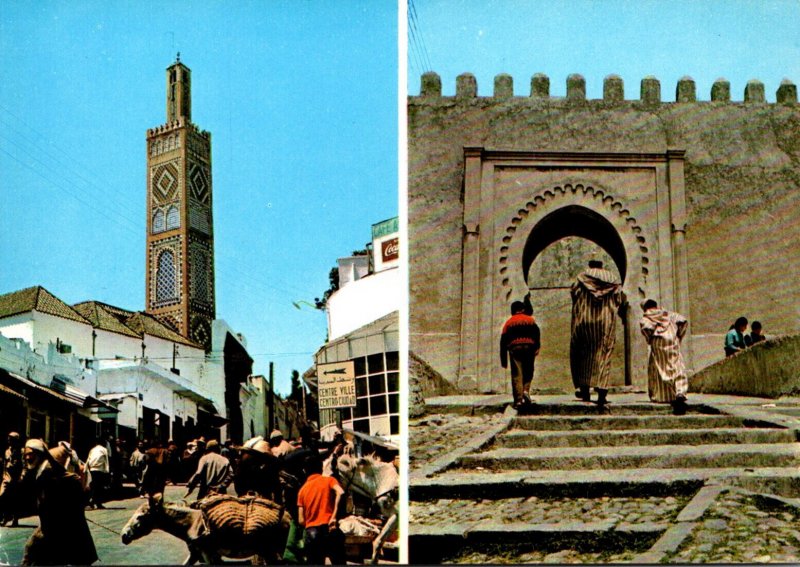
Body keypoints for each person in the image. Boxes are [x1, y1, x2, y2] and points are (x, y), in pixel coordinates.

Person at [21, 439, 97, 566]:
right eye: (26, 454)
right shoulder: (38, 468)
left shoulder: (48, 469)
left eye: (31, 454)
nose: (28, 457)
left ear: (39, 454)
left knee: (33, 553)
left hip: (59, 525)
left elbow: (75, 481)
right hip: (51, 525)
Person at [570, 260, 626, 408]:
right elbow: (619, 299)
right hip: (606, 321)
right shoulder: (612, 279)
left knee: (584, 354)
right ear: (602, 265)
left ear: (590, 265)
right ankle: (602, 394)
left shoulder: (581, 277)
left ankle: (585, 392)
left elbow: (574, 294)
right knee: (605, 353)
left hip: (584, 320)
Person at [639, 299, 690, 415]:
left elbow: (647, 330)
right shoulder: (668, 313)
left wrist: (650, 340)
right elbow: (683, 321)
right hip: (672, 341)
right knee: (677, 366)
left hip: (658, 344)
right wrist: (678, 336)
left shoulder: (646, 317)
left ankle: (662, 395)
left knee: (660, 368)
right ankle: (680, 392)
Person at [297, 458, 346, 566]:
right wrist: (333, 516)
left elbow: (301, 520)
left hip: (312, 534)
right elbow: (341, 492)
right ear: (321, 468)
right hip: (330, 530)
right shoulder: (329, 480)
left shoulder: (302, 491)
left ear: (305, 471)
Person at [499, 300, 541, 409]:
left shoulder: (508, 323)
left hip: (515, 348)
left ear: (513, 310)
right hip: (529, 347)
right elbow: (537, 333)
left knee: (517, 373)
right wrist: (537, 347)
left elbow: (503, 341)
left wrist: (503, 359)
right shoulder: (531, 320)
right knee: (529, 370)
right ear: (523, 309)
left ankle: (518, 400)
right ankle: (526, 390)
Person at [0, 432, 23, 527]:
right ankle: (4, 517)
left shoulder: (21, 451)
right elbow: (5, 464)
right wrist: (3, 475)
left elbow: (24, 465)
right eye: (9, 439)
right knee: (2, 495)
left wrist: (22, 476)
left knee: (14, 499)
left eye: (11, 439)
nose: (9, 441)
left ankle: (15, 519)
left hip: (16, 478)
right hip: (7, 477)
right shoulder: (7, 451)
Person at [86, 438, 110, 509]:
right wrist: (107, 471)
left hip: (92, 469)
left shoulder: (92, 449)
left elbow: (88, 459)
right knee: (99, 487)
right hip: (100, 470)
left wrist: (86, 468)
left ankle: (95, 502)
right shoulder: (104, 449)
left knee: (93, 486)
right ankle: (95, 502)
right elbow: (107, 460)